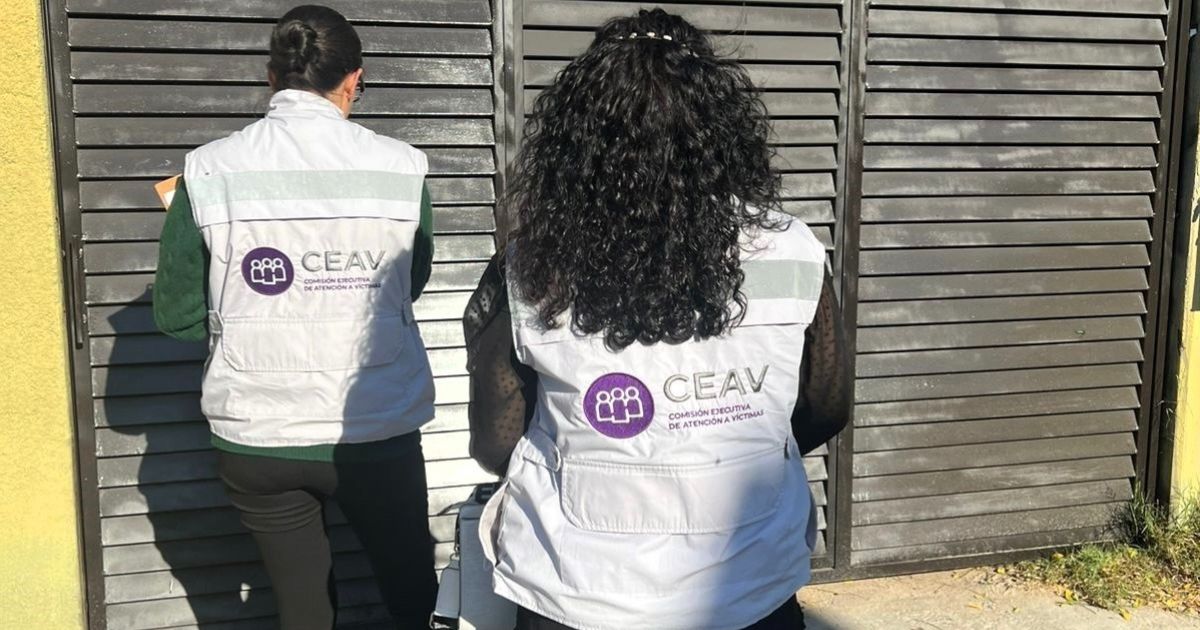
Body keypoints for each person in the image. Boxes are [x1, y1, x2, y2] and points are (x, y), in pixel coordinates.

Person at [463, 8, 851, 630]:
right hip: (749, 587)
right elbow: (825, 406)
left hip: (577, 590)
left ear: (577, 137)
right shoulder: (795, 249)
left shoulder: (531, 264)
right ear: (720, 128)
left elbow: (495, 440)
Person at [152, 5, 438, 628]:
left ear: (270, 77)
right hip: (376, 425)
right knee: (413, 592)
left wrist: (250, 313)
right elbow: (409, 283)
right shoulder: (402, 165)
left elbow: (177, 315)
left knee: (302, 610)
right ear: (354, 79)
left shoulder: (207, 168)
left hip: (257, 432)